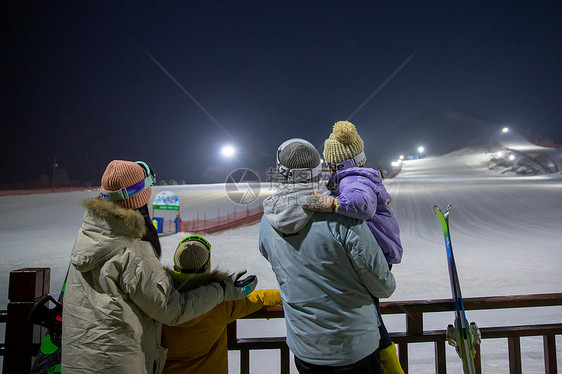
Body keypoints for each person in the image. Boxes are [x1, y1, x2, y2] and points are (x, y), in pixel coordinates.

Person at [62, 160, 257, 374]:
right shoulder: (133, 251)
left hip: (79, 361)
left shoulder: (88, 235)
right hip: (117, 364)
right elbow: (172, 309)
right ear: (140, 196)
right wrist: (224, 290)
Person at [259, 139, 396, 374]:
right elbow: (383, 286)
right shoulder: (342, 218)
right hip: (354, 348)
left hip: (305, 348)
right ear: (317, 171)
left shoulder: (266, 223)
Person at [305, 120, 404, 373]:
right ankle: (387, 364)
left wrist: (332, 204)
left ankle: (389, 367)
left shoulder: (353, 181)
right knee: (372, 314)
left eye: (328, 163)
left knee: (371, 316)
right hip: (379, 250)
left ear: (337, 164)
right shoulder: (357, 176)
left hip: (377, 253)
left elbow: (362, 205)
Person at [161, 235, 282, 374]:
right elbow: (259, 298)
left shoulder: (158, 300)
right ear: (207, 264)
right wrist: (287, 294)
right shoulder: (220, 301)